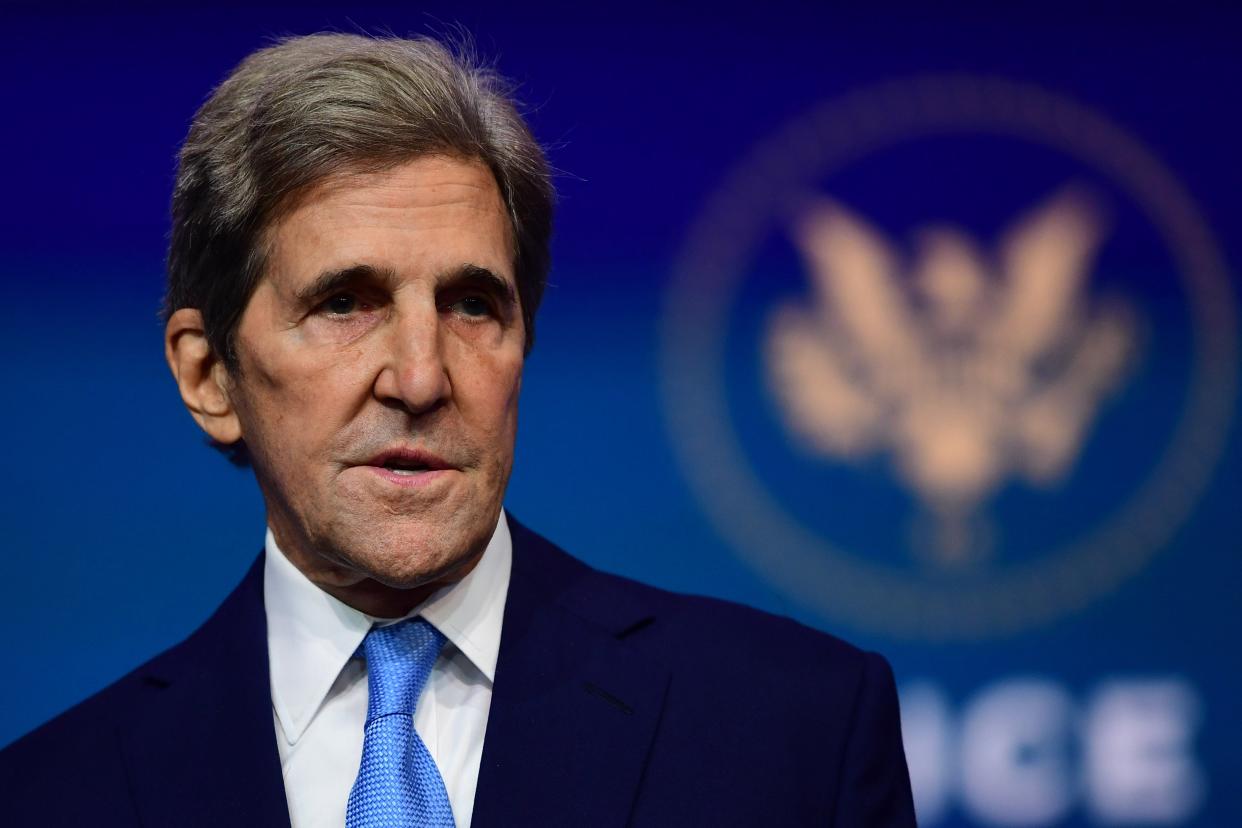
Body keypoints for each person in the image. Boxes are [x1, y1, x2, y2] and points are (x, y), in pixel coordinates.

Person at [0, 33, 915, 827]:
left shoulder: (794, 733)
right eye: (346, 302)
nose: (422, 377)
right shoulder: (52, 797)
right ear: (209, 375)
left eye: (473, 306)